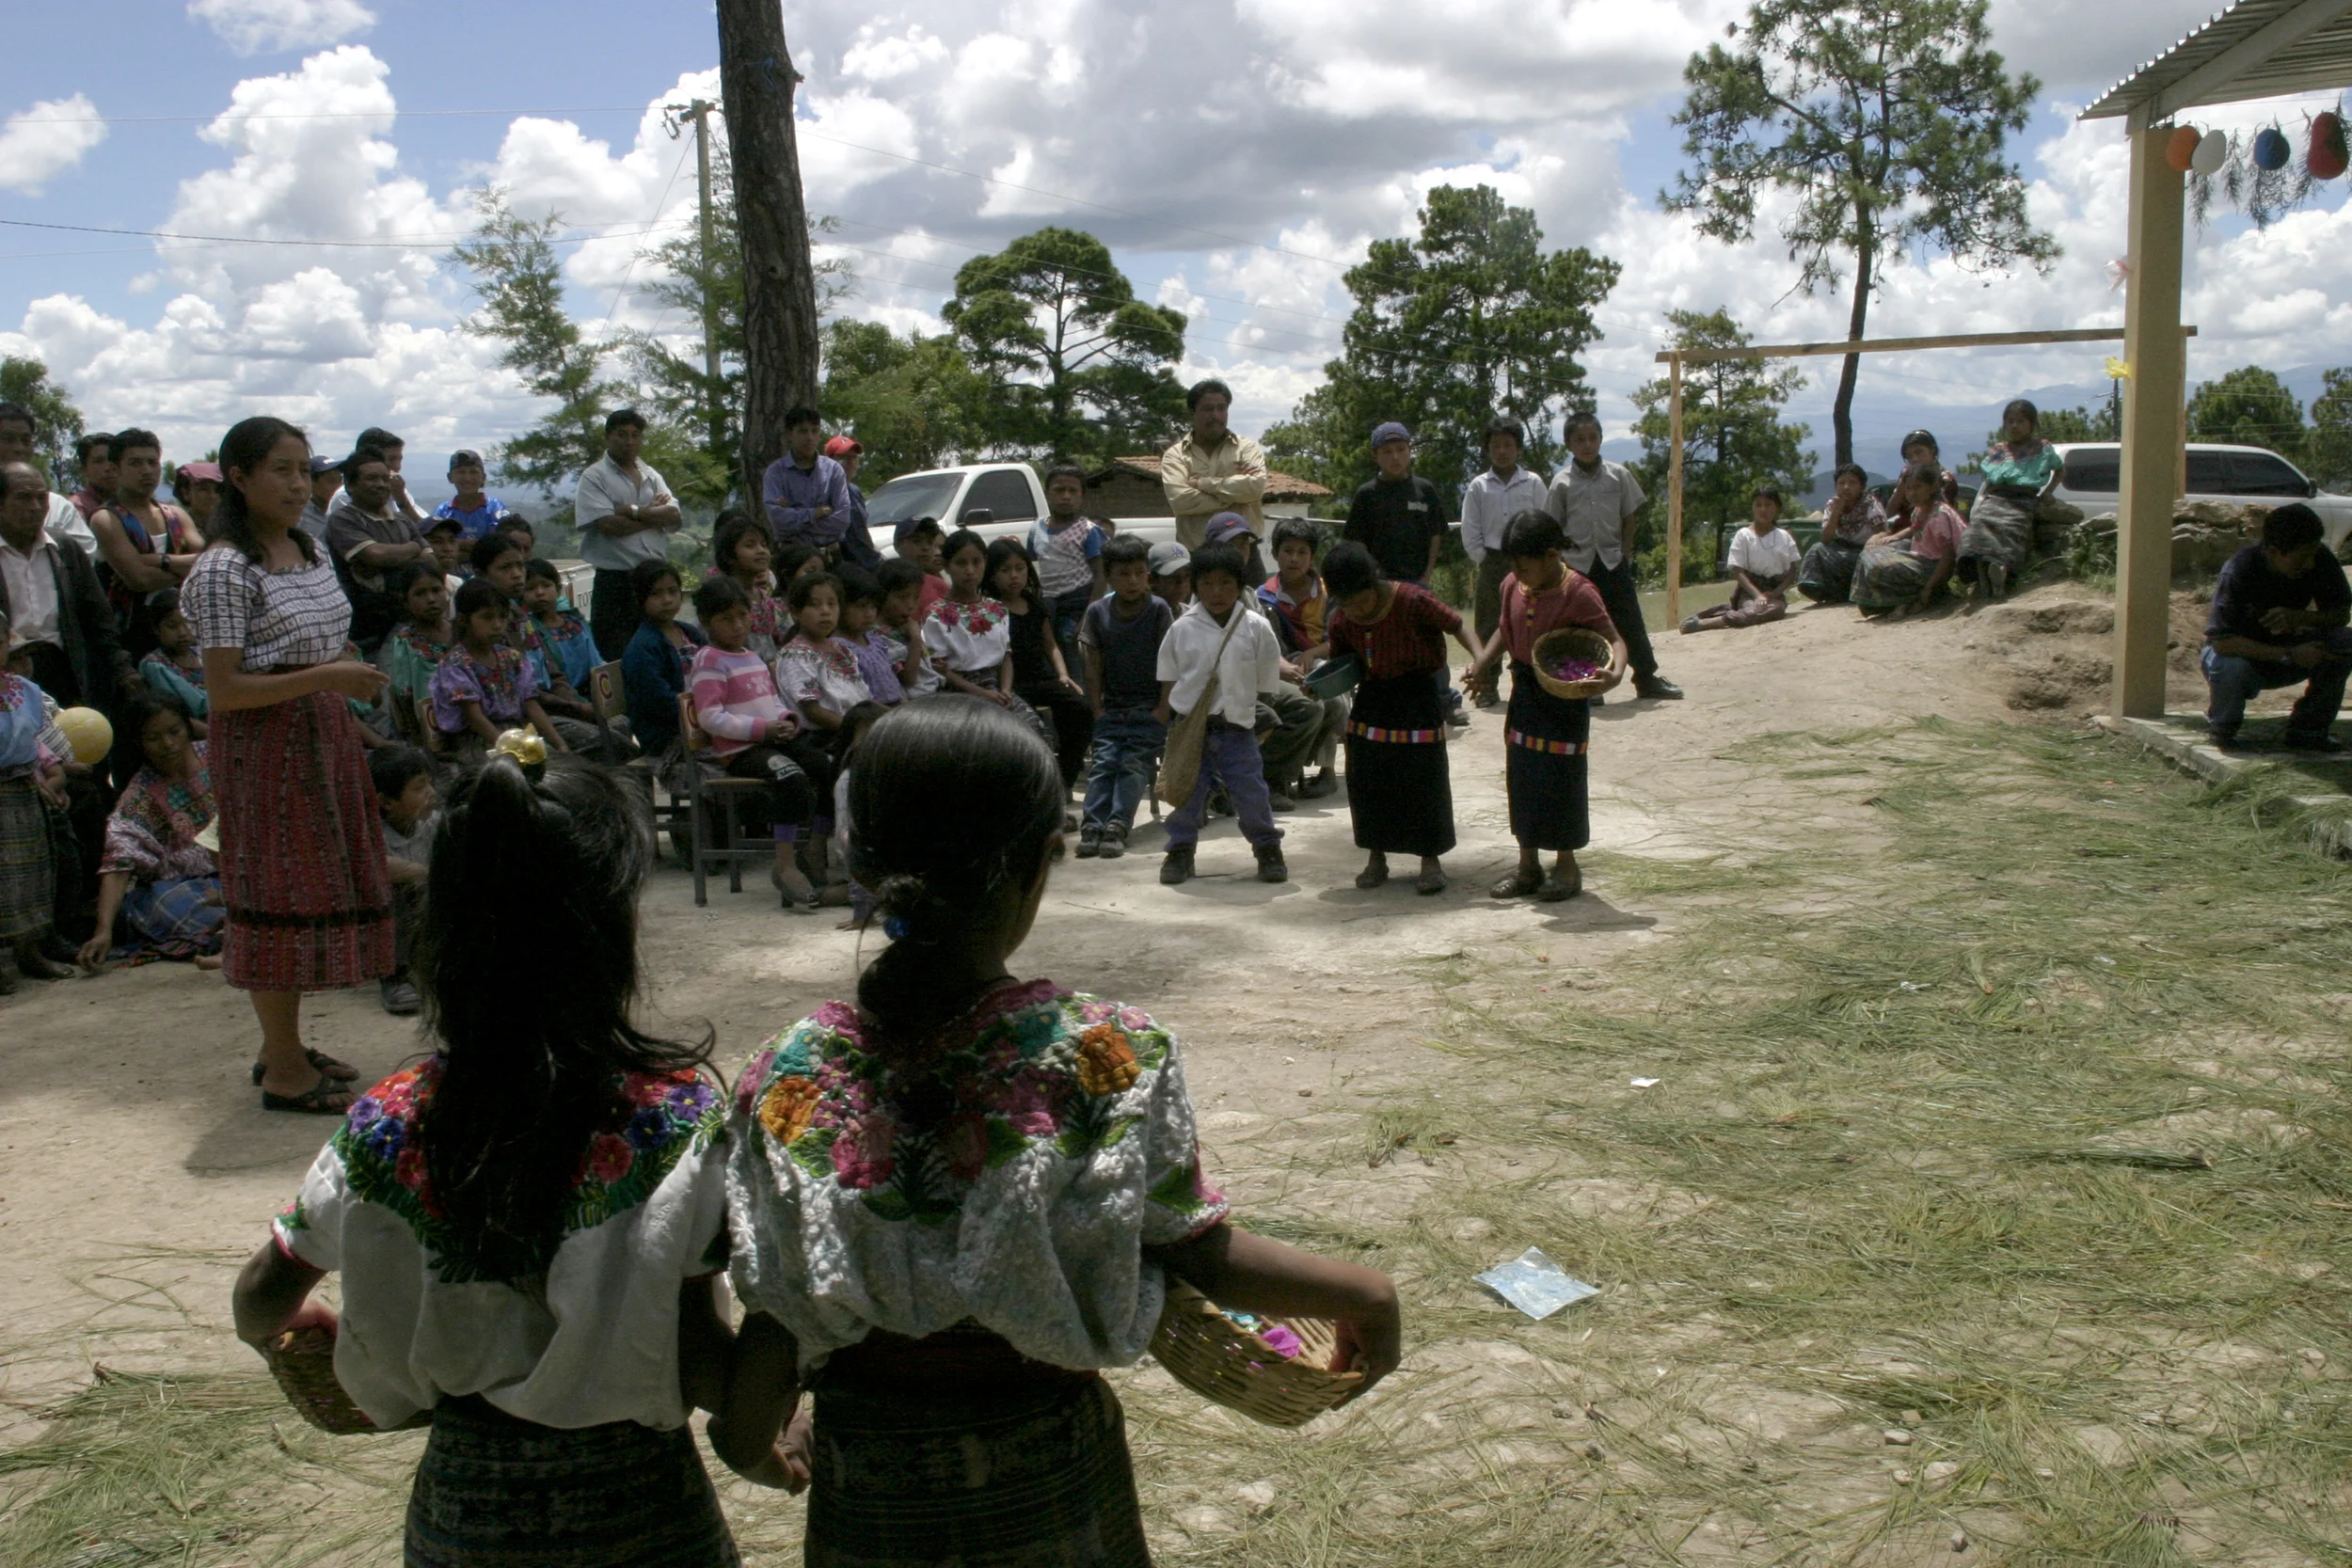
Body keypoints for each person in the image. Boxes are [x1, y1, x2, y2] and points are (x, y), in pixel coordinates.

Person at [709, 700, 1398, 1562]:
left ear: (861, 856)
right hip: (1051, 1477)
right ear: (1041, 863)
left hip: (871, 1490)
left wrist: (747, 1436)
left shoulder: (792, 1074)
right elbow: (1195, 1250)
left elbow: (778, 1298)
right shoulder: (1105, 1055)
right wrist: (1365, 1292)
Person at [230, 752, 742, 1568]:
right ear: (614, 928)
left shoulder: (388, 1122)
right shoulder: (677, 1120)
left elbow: (261, 1294)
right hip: (646, 1519)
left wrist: (296, 1336)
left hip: (460, 1522)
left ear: (445, 929)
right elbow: (700, 1356)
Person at [182, 417, 390, 1115]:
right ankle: (283, 1070)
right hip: (265, 747)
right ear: (237, 478)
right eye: (280, 468)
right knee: (276, 896)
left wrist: (337, 692)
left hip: (320, 734)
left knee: (317, 889)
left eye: (304, 468)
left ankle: (285, 1045)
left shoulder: (308, 549)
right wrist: (327, 677)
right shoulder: (224, 569)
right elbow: (225, 689)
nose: (297, 482)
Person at [1465, 511, 1626, 901]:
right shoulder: (1510, 585)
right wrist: (1482, 666)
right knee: (1523, 777)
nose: (1517, 572)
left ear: (1552, 556)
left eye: (1524, 564)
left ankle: (1567, 866)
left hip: (1564, 700)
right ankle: (1527, 866)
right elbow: (1505, 631)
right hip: (1525, 692)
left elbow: (1614, 639)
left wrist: (1616, 674)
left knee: (1561, 779)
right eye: (1513, 565)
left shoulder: (1579, 592)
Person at [1323, 540, 1484, 896]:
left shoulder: (1412, 600)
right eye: (1346, 604)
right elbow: (1342, 666)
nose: (1356, 611)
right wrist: (1318, 687)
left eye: (1361, 601)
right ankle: (1376, 856)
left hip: (1417, 696)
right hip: (1373, 699)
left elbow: (1457, 624)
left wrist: (1481, 661)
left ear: (1375, 583)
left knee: (1422, 778)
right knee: (1366, 777)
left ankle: (1430, 860)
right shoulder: (1341, 621)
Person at [689, 575, 831, 909]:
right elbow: (710, 717)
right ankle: (784, 864)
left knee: (824, 765)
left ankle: (814, 846)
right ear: (707, 622)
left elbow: (773, 701)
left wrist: (784, 721)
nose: (738, 625)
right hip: (740, 750)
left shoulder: (750, 655)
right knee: (790, 776)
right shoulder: (709, 660)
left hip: (769, 740)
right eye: (727, 619)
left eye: (743, 615)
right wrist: (760, 730)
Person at [1154, 541, 1288, 887]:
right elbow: (1169, 676)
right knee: (1186, 794)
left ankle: (1267, 849)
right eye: (1208, 583)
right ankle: (1180, 851)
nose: (1217, 592)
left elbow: (1264, 678)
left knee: (1252, 794)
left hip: (1237, 730)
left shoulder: (1256, 627)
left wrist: (1246, 709)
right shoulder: (1181, 628)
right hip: (1191, 730)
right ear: (1196, 585)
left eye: (1226, 583)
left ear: (1240, 585)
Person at [72, 689, 223, 971]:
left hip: (243, 875)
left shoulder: (222, 757)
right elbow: (118, 862)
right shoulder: (139, 795)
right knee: (173, 906)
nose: (167, 744)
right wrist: (103, 931)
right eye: (153, 738)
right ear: (139, 743)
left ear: (187, 727)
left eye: (174, 731)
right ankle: (239, 931)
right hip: (186, 887)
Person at [1547, 412, 1682, 701]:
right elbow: (1553, 527)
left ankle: (1646, 677)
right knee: (1580, 626)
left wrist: (1625, 553)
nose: (1587, 445)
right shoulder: (1561, 483)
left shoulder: (1618, 475)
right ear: (1568, 444)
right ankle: (1587, 682)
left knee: (1629, 620)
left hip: (1612, 560)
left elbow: (1629, 518)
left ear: (1601, 438)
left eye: (1592, 438)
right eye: (1579, 439)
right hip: (1577, 564)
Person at [2201, 501, 2352, 752]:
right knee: (2229, 666)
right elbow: (2222, 641)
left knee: (2345, 643)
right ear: (2273, 552)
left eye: (2314, 553)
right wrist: (2289, 655)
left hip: (2292, 650)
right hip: (2246, 657)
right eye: (2302, 558)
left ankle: (2308, 730)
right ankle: (2223, 726)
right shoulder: (2240, 569)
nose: (2310, 564)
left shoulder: (2320, 560)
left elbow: (2340, 615)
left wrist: (2300, 618)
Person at [0, 462, 138, 721]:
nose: (35, 507)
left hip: (64, 672)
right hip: (7, 679)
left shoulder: (63, 548)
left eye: (41, 498)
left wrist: (122, 668)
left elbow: (97, 617)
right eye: (23, 498)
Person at [1077, 533, 1173, 860]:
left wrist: (1163, 707)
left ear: (1148, 573)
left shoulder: (1159, 610)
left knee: (1133, 764)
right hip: (1112, 707)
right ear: (1108, 576)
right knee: (1104, 763)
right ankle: (1092, 826)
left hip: (1149, 708)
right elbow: (1093, 665)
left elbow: (1169, 661)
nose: (1133, 581)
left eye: (1139, 573)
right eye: (1123, 574)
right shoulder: (1097, 612)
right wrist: (1097, 708)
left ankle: (1118, 825)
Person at [575, 410, 682, 659]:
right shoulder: (595, 476)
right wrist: (653, 516)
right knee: (618, 655)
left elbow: (675, 517)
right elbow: (610, 526)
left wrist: (631, 511)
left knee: (659, 651)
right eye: (622, 435)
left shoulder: (651, 475)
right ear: (607, 437)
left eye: (635, 435)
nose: (629, 441)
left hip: (653, 578)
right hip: (616, 582)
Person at [88, 429, 206, 656]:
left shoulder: (175, 515)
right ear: (116, 469)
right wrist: (189, 569)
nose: (146, 471)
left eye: (152, 463)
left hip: (183, 634)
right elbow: (139, 579)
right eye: (135, 463)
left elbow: (211, 560)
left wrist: (159, 560)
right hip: (131, 636)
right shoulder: (107, 519)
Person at [925, 529, 1048, 743]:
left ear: (985, 563)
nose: (970, 571)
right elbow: (941, 669)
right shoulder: (936, 614)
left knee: (1032, 731)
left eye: (977, 562)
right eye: (961, 563)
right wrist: (984, 695)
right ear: (946, 566)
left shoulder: (996, 608)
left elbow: (1006, 655)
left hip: (995, 688)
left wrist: (1006, 690)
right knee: (983, 738)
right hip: (958, 692)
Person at [1460, 415, 1549, 696]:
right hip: (1493, 560)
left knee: (1532, 619)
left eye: (1508, 445)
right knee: (1489, 623)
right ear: (1487, 450)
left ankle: (1530, 681)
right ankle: (1487, 685)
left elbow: (1545, 518)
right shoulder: (1478, 486)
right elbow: (1470, 527)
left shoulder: (1532, 483)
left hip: (1530, 561)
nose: (1502, 451)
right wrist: (1483, 559)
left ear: (1518, 449)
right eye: (1496, 446)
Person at [994, 535, 1093, 790]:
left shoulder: (1035, 606)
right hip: (1011, 684)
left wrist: (1063, 674)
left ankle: (1064, 779)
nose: (1013, 576)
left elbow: (1050, 645)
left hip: (1042, 677)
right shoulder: (991, 609)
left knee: (1080, 709)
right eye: (1005, 570)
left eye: (1019, 568)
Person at [429, 578, 564, 763]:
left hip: (520, 729)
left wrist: (560, 745)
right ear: (463, 620)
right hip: (478, 739)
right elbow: (474, 718)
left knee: (570, 751)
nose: (497, 624)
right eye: (487, 617)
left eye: (502, 617)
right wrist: (513, 751)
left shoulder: (513, 658)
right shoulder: (456, 664)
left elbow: (532, 706)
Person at [1258, 517, 1344, 799]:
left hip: (1326, 661)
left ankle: (1326, 771)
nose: (1294, 559)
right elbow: (1270, 647)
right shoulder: (1265, 596)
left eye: (1302, 552)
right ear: (1275, 554)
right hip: (1283, 668)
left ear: (1312, 557)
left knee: (1332, 693)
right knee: (1313, 702)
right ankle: (1279, 777)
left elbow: (1340, 638)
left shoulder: (1329, 591)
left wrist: (1312, 653)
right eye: (1288, 551)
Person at [0, 661, 72, 992]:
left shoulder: (25, 689)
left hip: (23, 787)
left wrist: (52, 779)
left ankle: (30, 952)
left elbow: (41, 744)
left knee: (33, 872)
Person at [325, 445, 425, 657]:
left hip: (410, 627)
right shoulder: (343, 519)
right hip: (366, 634)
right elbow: (375, 555)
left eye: (384, 478)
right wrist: (414, 548)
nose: (380, 485)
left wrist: (394, 557)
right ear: (350, 485)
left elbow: (433, 564)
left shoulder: (402, 520)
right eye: (371, 478)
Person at [1959, 398, 2063, 603]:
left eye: (2021, 421)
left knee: (2011, 530)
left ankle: (2002, 572)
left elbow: (2059, 469)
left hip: (2022, 501)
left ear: (2032, 424)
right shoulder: (1999, 450)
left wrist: (2048, 492)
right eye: (2010, 421)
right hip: (1996, 498)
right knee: (1977, 529)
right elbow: (1989, 479)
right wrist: (1982, 500)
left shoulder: (2042, 449)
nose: (2014, 426)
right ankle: (1981, 579)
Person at [1161, 376, 1270, 548]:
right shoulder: (1175, 456)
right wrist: (1234, 495)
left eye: (1222, 408)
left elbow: (1256, 488)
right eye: (1208, 409)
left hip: (1245, 552)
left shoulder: (1246, 449)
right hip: (1198, 554)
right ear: (1192, 412)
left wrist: (1201, 483)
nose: (1216, 416)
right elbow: (1181, 500)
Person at [1851, 463, 1965, 618]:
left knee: (1879, 567)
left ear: (1932, 487)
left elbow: (1948, 555)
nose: (1912, 493)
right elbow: (1915, 528)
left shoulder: (1939, 516)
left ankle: (1914, 598)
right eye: (1909, 488)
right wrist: (1894, 537)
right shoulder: (1921, 509)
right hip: (1920, 558)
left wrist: (1929, 587)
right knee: (1870, 552)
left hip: (1932, 567)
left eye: (1918, 487)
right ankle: (1877, 603)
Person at [370, 744, 435, 1015]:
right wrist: (431, 873)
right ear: (386, 802)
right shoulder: (373, 834)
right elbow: (379, 867)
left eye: (429, 784)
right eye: (419, 788)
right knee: (397, 892)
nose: (431, 793)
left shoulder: (433, 824)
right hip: (392, 921)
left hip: (426, 922)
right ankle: (394, 976)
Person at [620, 560, 704, 766]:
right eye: (656, 594)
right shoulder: (643, 647)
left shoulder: (689, 632)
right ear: (641, 599)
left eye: (672, 591)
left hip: (700, 719)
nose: (667, 600)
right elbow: (660, 702)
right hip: (666, 736)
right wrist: (706, 714)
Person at [1684, 486, 1801, 633]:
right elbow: (1737, 570)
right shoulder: (1743, 535)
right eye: (1758, 505)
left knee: (1776, 610)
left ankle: (1719, 617)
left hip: (1774, 592)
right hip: (1749, 591)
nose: (1763, 509)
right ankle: (1709, 622)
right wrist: (1757, 595)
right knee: (1754, 609)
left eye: (1768, 505)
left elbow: (1792, 571)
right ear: (1752, 508)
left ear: (1776, 508)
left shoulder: (1784, 536)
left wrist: (1776, 593)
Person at [1344, 422, 1448, 586]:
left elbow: (1436, 535)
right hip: (1379, 585)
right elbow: (1356, 540)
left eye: (1400, 449)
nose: (1395, 457)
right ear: (1375, 456)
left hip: (1417, 582)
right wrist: (1371, 576)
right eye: (1387, 452)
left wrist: (1427, 575)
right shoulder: (1366, 494)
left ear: (1410, 450)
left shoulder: (1425, 490)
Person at [1027, 463, 1106, 659]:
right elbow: (1031, 567)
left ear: (1081, 495)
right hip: (1047, 607)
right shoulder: (1036, 530)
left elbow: (1101, 575)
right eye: (1059, 490)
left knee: (1073, 653)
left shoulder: (1089, 530)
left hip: (1077, 607)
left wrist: (1087, 618)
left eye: (1073, 491)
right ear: (1047, 493)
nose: (1066, 496)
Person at [0, 400, 96, 552]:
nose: (19, 448)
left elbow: (83, 557)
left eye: (25, 440)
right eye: (8, 440)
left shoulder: (57, 507)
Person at [826, 699, 888, 931]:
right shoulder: (848, 780)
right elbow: (847, 838)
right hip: (864, 855)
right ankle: (863, 911)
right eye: (865, 734)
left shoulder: (887, 773)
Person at [378, 567, 454, 751]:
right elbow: (403, 693)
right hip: (429, 727)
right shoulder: (405, 642)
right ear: (406, 601)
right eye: (420, 594)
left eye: (436, 590)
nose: (430, 599)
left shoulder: (462, 632)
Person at [762, 406, 853, 557]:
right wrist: (815, 513)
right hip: (792, 557)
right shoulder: (776, 472)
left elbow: (842, 520)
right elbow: (779, 522)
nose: (810, 437)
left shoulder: (833, 470)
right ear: (789, 434)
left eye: (815, 431)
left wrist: (796, 516)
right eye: (803, 431)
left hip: (830, 555)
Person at [1796, 463, 1887, 604]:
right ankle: (1821, 591)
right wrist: (1836, 512)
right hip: (1841, 551)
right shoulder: (1833, 504)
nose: (1846, 487)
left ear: (1861, 487)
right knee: (1816, 550)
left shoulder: (1870, 503)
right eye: (1842, 483)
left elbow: (1881, 533)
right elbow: (1826, 538)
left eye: (1852, 483)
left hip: (1864, 553)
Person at [709, 512, 786, 658]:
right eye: (750, 545)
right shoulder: (721, 598)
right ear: (729, 556)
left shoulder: (764, 598)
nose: (761, 551)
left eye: (764, 545)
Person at [520, 558, 598, 698]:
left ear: (557, 589)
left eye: (546, 585)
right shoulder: (527, 630)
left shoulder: (575, 622)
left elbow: (595, 663)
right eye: (531, 588)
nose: (539, 592)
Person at [831, 566, 905, 706]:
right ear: (839, 606)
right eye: (861, 606)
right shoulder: (838, 648)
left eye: (873, 606)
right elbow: (858, 698)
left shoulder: (875, 640)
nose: (869, 613)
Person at [139, 588, 210, 730]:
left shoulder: (203, 653)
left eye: (188, 624)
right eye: (172, 626)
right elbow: (177, 714)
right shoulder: (155, 665)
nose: (182, 633)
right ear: (155, 629)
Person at [873, 559, 939, 696]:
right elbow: (908, 680)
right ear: (882, 595)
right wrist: (915, 640)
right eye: (902, 597)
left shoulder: (905, 626)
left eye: (916, 598)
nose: (910, 605)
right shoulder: (878, 636)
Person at [822, 435, 882, 568]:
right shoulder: (824, 493)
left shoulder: (855, 491)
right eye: (844, 458)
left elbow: (862, 530)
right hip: (846, 567)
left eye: (854, 458)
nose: (851, 462)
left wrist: (876, 553)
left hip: (869, 562)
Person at [430, 449, 515, 542]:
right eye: (461, 472)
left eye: (473, 472)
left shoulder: (495, 507)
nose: (467, 478)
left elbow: (501, 543)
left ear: (483, 477)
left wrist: (458, 543)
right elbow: (434, 541)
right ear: (450, 477)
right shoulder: (442, 511)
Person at [891, 516, 952, 615]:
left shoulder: (939, 586)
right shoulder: (886, 584)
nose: (926, 547)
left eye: (930, 542)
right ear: (897, 545)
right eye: (917, 541)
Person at [1899, 429, 1963, 510]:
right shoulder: (1907, 475)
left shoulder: (1945, 480)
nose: (1914, 459)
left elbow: (1941, 511)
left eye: (1919, 452)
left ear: (1932, 451)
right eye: (1909, 456)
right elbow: (1890, 512)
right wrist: (1901, 487)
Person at [69, 432, 117, 522]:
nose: (108, 467)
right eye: (99, 461)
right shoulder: (76, 509)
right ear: (84, 470)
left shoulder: (135, 503)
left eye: (113, 459)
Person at [171, 459, 224, 537]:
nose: (213, 496)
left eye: (217, 489)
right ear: (185, 493)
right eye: (204, 489)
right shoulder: (176, 531)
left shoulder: (228, 529)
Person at [299, 453, 341, 542]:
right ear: (312, 483)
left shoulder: (345, 510)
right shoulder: (300, 516)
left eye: (340, 480)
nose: (338, 486)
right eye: (331, 481)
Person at [1149, 540, 1192, 614]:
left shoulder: (1191, 615)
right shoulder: (1143, 617)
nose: (1181, 584)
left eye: (1186, 576)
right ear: (1152, 580)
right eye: (1173, 577)